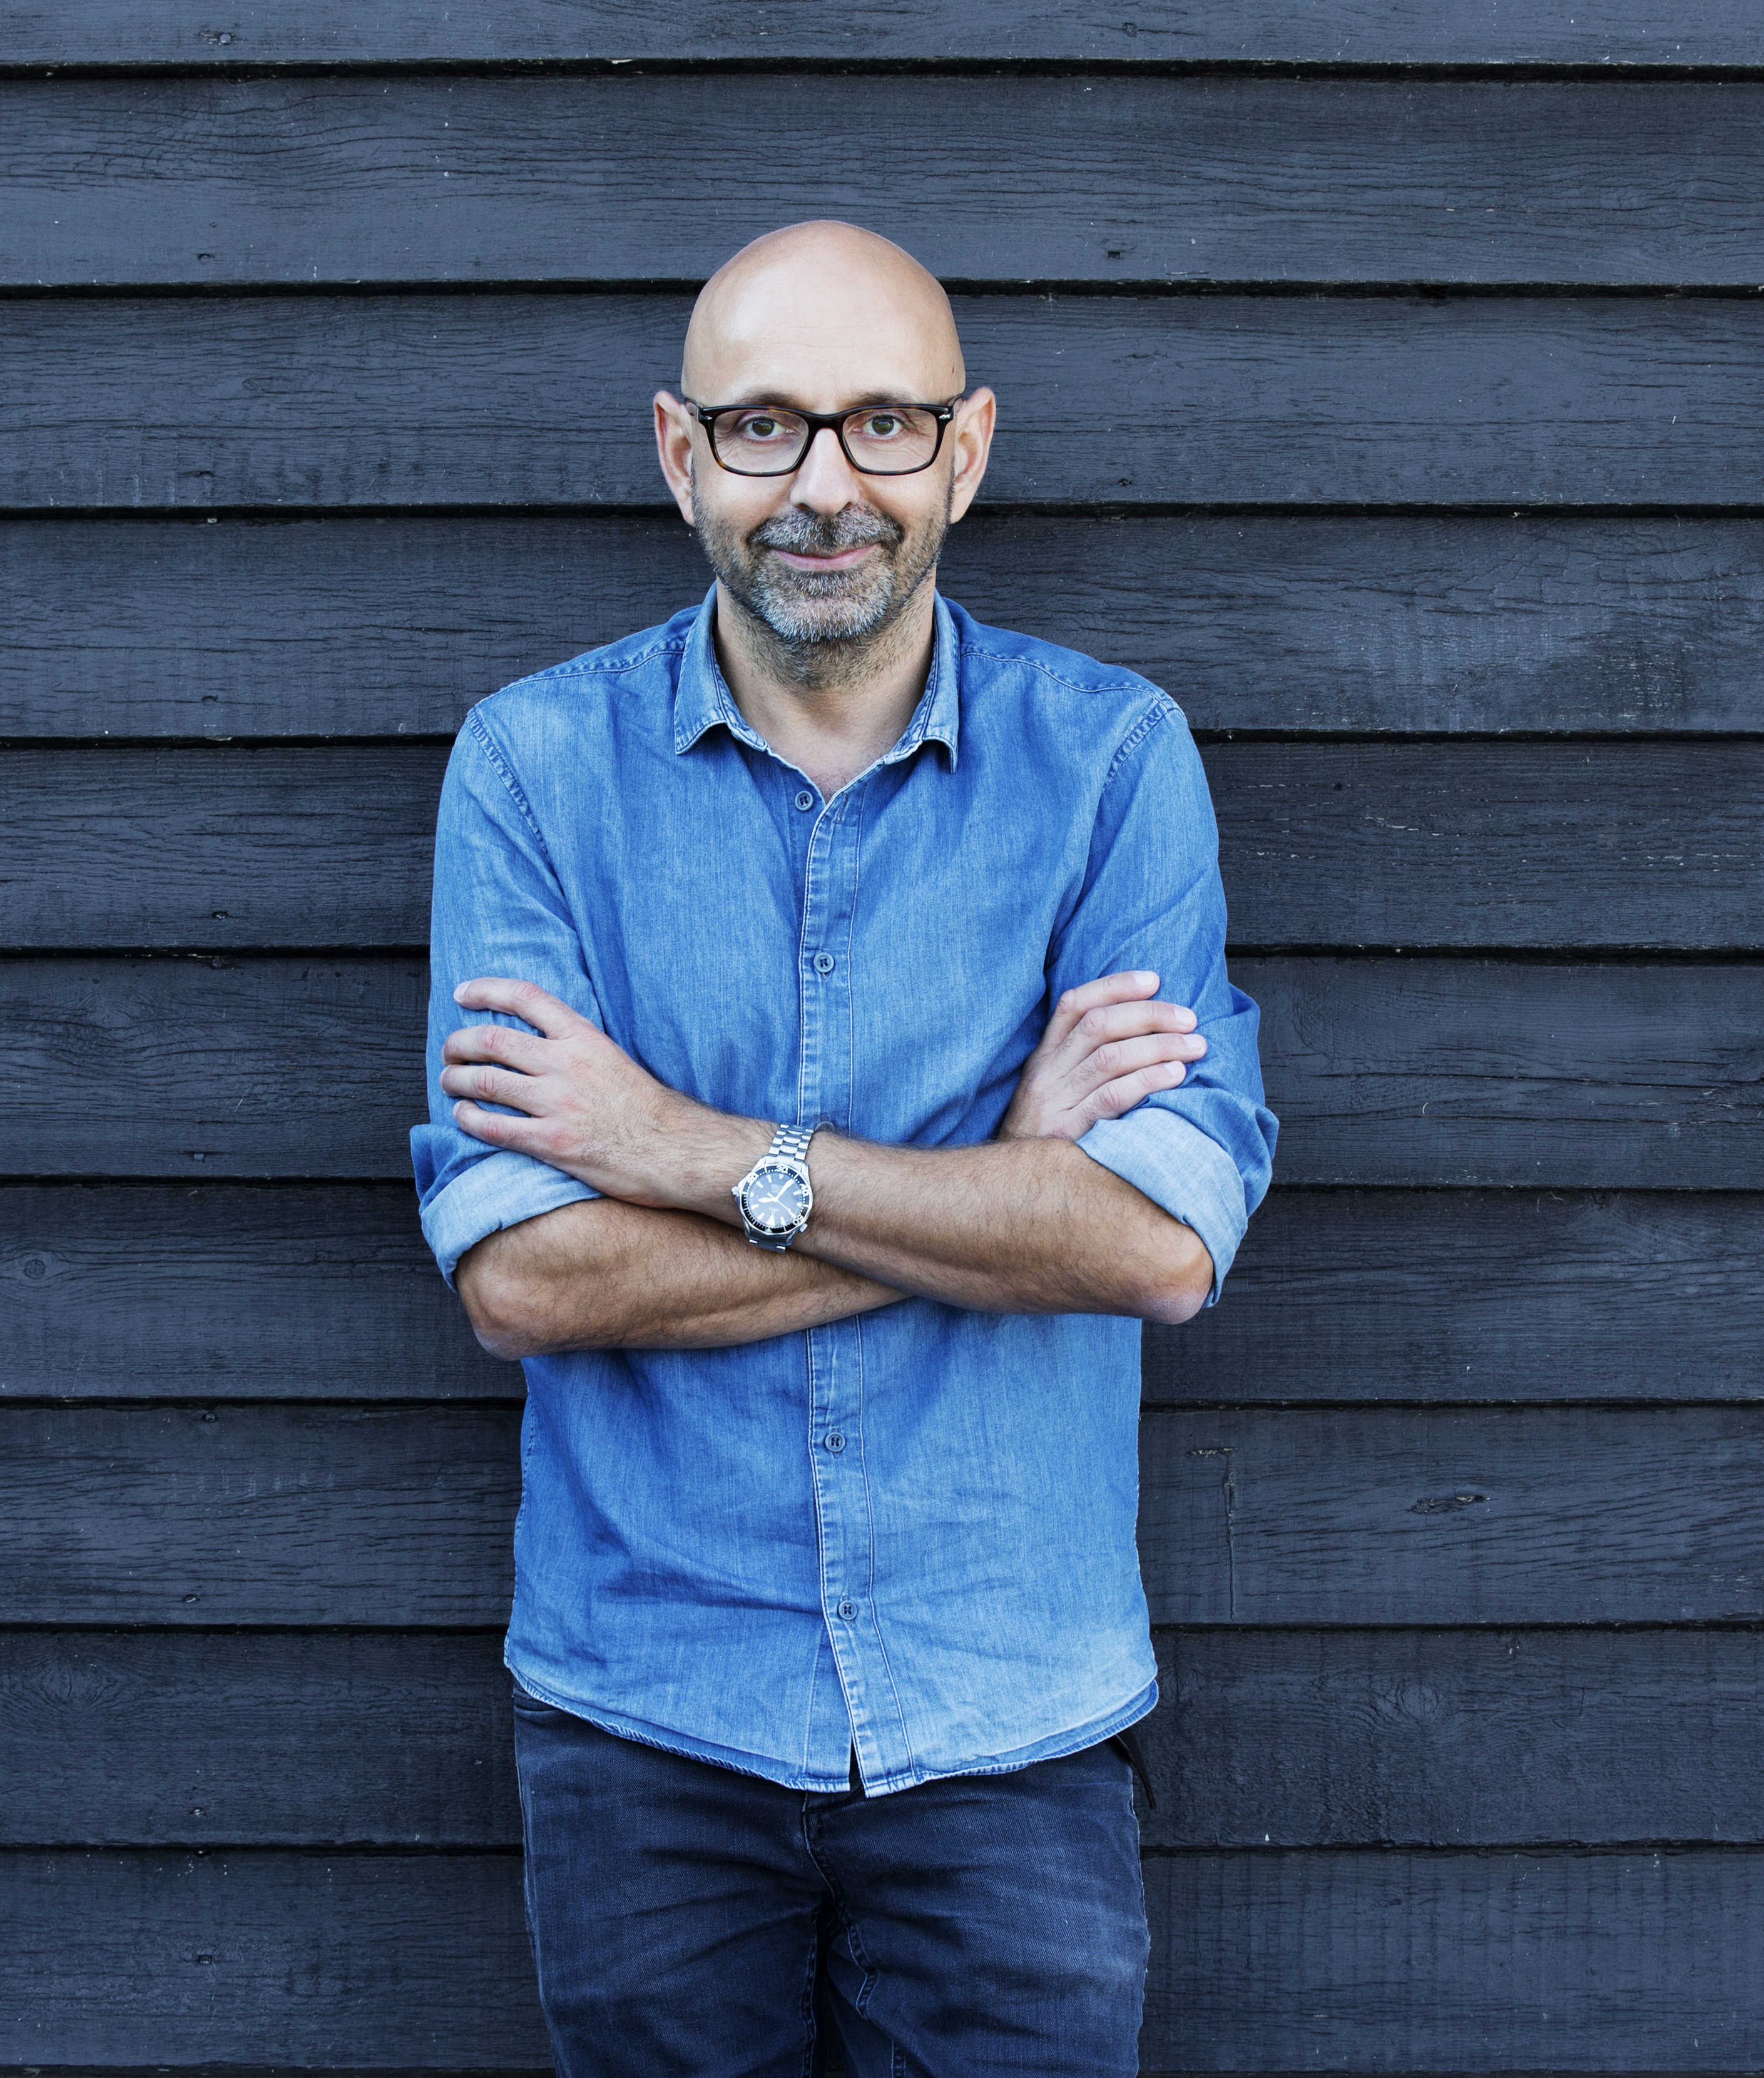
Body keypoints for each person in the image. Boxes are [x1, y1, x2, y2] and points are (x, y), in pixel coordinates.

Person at [411, 220, 1277, 2077]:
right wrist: (1001, 1182)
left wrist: (676, 1145)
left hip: (1009, 1719)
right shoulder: (534, 771)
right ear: (680, 454)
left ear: (967, 452)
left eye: (883, 423)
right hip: (647, 1717)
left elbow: (1153, 1246)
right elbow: (526, 1280)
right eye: (764, 427)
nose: (824, 486)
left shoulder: (1111, 763)